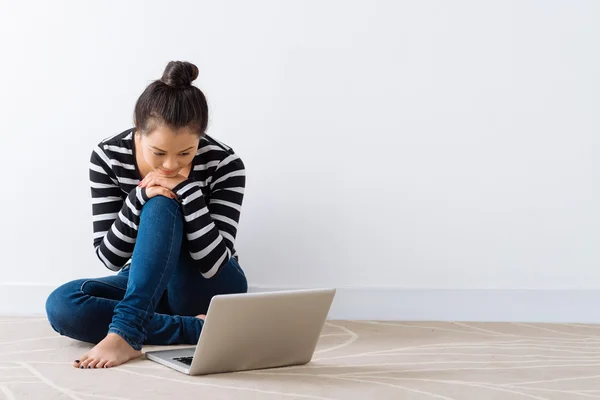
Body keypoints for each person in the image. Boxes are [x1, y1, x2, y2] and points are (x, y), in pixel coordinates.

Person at [45, 61, 248, 369]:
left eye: (185, 153)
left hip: (209, 284)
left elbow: (213, 264)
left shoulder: (226, 163)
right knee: (64, 305)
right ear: (138, 131)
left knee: (163, 203)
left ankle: (126, 331)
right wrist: (138, 197)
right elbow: (110, 258)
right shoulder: (108, 157)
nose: (169, 166)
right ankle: (197, 328)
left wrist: (186, 191)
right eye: (159, 152)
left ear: (200, 139)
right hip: (146, 280)